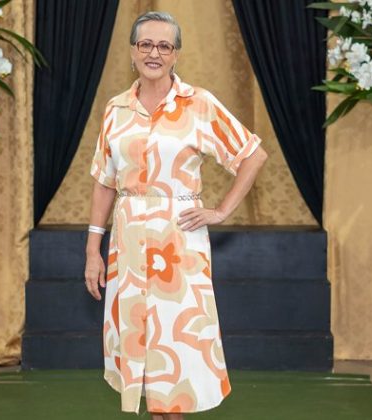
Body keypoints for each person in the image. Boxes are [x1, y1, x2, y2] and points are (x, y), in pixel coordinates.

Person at [83, 11, 268, 418]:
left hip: (179, 247)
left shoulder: (198, 104)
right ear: (132, 51)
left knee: (176, 355)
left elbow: (252, 156)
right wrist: (92, 249)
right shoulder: (115, 109)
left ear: (176, 54)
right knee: (144, 357)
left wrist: (221, 210)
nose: (154, 53)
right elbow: (104, 181)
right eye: (146, 44)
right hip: (128, 246)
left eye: (164, 46)